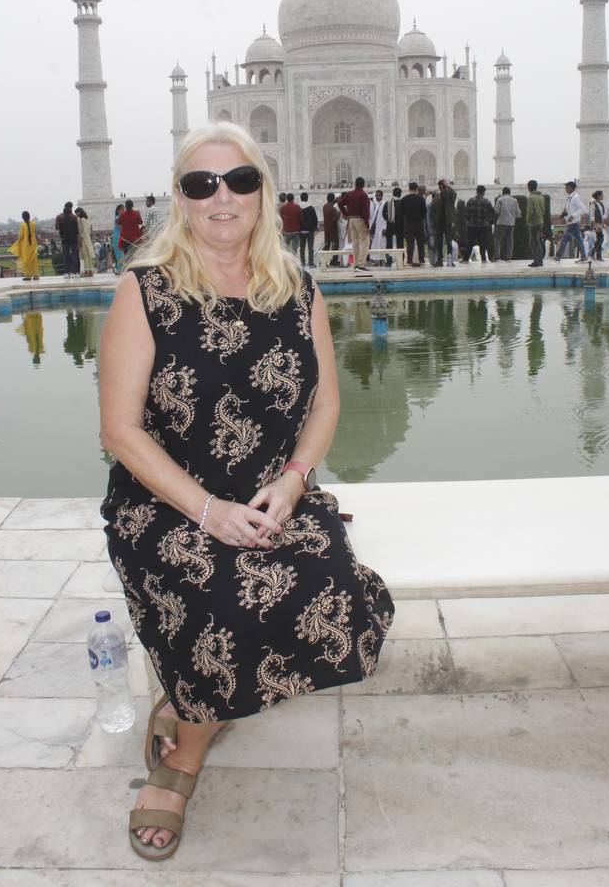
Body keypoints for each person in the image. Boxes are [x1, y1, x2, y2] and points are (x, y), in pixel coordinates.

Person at [99, 121, 394, 860]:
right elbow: (120, 432)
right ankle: (186, 754)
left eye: (239, 181)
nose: (221, 197)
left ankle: (186, 697)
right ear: (181, 198)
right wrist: (206, 510)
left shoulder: (295, 289)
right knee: (224, 591)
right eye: (202, 184)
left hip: (273, 494)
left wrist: (294, 483)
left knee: (330, 590)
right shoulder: (146, 291)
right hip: (167, 500)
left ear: (264, 192)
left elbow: (325, 404)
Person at [337, 177, 371, 271]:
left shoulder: (349, 194)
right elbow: (365, 212)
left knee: (355, 242)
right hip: (360, 220)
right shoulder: (363, 195)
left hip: (351, 220)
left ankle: (355, 264)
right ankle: (361, 264)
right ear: (363, 185)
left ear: (355, 184)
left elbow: (340, 203)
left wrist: (346, 214)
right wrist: (367, 225)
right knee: (365, 242)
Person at [554, 182, 586, 262]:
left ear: (571, 188)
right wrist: (564, 216)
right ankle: (583, 256)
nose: (565, 188)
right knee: (578, 240)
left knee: (565, 239)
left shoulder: (575, 197)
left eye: (567, 187)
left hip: (574, 223)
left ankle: (558, 256)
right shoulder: (570, 198)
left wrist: (573, 216)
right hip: (571, 223)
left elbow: (583, 209)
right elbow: (569, 210)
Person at [429, 179, 457, 267]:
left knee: (449, 242)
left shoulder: (450, 195)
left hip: (448, 222)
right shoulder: (437, 196)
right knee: (439, 243)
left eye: (443, 187)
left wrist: (447, 186)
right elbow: (433, 209)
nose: (442, 188)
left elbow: (454, 193)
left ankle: (449, 260)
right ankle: (439, 260)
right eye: (440, 187)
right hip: (439, 223)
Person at [399, 181, 427, 266]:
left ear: (409, 188)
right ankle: (421, 259)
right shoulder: (421, 199)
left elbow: (401, 212)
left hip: (408, 223)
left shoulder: (404, 199)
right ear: (416, 189)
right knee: (420, 242)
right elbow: (424, 212)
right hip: (419, 223)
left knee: (410, 243)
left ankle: (409, 260)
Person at [464, 185, 494, 262]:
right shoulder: (486, 201)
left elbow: (466, 213)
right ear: (483, 192)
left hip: (472, 225)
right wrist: (489, 221)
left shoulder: (470, 201)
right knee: (483, 243)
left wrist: (468, 221)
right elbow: (492, 212)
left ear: (477, 191)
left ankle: (466, 258)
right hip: (483, 225)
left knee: (470, 242)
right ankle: (483, 259)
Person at [8, 211, 40, 280]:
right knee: (33, 260)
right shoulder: (33, 224)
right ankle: (36, 275)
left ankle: (28, 276)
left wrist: (18, 242)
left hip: (26, 245)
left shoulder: (22, 225)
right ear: (29, 217)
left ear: (23, 217)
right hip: (33, 244)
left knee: (26, 260)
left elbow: (21, 236)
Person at [493, 186, 520, 261]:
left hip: (501, 222)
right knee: (510, 241)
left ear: (503, 192)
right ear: (509, 192)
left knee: (497, 239)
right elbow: (518, 213)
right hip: (511, 223)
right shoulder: (515, 200)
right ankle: (509, 257)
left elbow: (496, 211)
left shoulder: (500, 199)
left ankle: (497, 256)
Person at [55, 201, 80, 278]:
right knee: (74, 255)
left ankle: (66, 272)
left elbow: (57, 228)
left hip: (64, 239)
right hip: (73, 239)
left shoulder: (59, 217)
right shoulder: (74, 217)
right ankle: (74, 272)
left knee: (66, 256)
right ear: (71, 208)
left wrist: (62, 234)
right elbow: (77, 230)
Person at [526, 180, 546, 267]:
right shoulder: (541, 197)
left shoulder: (531, 197)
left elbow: (530, 211)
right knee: (537, 242)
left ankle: (537, 261)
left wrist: (527, 220)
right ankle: (539, 261)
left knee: (533, 243)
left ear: (528, 187)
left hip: (534, 222)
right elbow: (543, 209)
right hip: (540, 221)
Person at [384, 186, 404, 264]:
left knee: (389, 244)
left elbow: (383, 213)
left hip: (390, 226)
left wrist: (389, 219)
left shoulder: (388, 202)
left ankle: (388, 261)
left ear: (393, 193)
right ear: (400, 194)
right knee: (400, 244)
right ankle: (400, 261)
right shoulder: (402, 203)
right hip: (400, 226)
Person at [298, 192, 318, 268]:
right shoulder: (311, 208)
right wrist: (313, 228)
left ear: (300, 198)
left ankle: (302, 262)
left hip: (301, 231)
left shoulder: (298, 207)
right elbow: (315, 219)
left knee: (302, 248)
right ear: (307, 198)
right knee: (310, 248)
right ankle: (311, 262)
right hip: (310, 231)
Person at [76, 207, 96, 277]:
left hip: (84, 240)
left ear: (80, 212)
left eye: (77, 213)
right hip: (88, 239)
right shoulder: (87, 220)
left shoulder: (82, 220)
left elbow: (83, 232)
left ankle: (87, 271)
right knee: (88, 256)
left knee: (86, 256)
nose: (77, 214)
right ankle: (90, 271)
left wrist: (80, 240)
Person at [369, 189, 387, 264]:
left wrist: (385, 228)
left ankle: (382, 259)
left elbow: (386, 217)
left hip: (382, 227)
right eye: (376, 195)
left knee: (382, 244)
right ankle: (376, 260)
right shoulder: (377, 205)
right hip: (376, 228)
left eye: (378, 195)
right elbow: (374, 217)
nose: (376, 197)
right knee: (375, 244)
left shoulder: (384, 204)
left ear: (382, 196)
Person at [322, 193, 341, 265]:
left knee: (327, 244)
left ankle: (323, 260)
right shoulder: (333, 208)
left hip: (326, 228)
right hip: (333, 229)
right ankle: (334, 261)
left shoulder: (325, 206)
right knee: (335, 245)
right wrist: (338, 215)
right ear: (333, 199)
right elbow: (333, 220)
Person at [589, 190, 606, 261]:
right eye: (602, 195)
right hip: (596, 224)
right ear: (598, 196)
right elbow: (592, 214)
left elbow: (603, 214)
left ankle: (595, 254)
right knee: (600, 238)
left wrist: (603, 224)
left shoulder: (601, 204)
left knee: (600, 239)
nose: (603, 196)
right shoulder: (593, 203)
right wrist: (594, 224)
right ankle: (595, 254)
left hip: (600, 224)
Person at [112, 204, 125, 274]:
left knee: (121, 254)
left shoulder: (121, 217)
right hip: (117, 238)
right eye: (121, 210)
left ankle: (120, 268)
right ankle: (120, 268)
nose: (123, 211)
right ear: (118, 211)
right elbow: (121, 227)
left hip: (121, 237)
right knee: (119, 254)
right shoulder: (117, 218)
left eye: (123, 209)